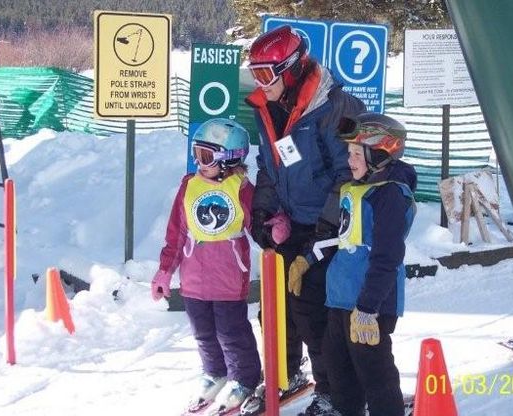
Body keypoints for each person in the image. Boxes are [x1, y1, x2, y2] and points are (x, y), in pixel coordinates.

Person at [242, 25, 365, 416]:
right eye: (254, 74)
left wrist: (327, 227)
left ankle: (334, 391)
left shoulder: (336, 108)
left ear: (291, 69)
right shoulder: (269, 108)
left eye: (265, 74)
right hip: (291, 221)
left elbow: (351, 171)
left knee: (314, 310)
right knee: (275, 306)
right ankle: (285, 373)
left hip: (328, 228)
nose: (260, 83)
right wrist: (262, 211)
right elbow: (269, 165)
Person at [151, 118, 261, 415]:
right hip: (193, 277)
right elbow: (176, 232)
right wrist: (165, 271)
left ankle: (245, 377)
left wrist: (275, 232)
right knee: (202, 331)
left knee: (231, 331)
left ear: (229, 160)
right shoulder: (190, 185)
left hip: (228, 275)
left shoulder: (242, 188)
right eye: (196, 154)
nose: (199, 163)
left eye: (206, 156)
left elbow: (258, 225)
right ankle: (215, 371)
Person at [322, 113, 417, 416]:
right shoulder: (356, 188)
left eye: (355, 153)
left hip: (368, 304)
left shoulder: (390, 194)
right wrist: (309, 258)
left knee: (374, 372)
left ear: (378, 152)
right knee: (339, 370)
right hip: (341, 299)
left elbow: (387, 256)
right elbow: (345, 240)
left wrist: (367, 308)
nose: (349, 160)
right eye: (348, 152)